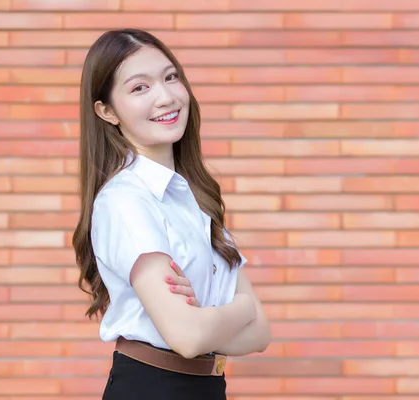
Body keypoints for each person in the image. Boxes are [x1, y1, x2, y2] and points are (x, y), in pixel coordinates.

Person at [71, 28, 271, 400]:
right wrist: (241, 307)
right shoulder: (126, 201)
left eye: (170, 77)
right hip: (154, 388)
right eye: (139, 88)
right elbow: (188, 336)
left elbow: (260, 335)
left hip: (206, 387)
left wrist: (205, 318)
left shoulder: (194, 198)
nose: (166, 97)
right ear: (107, 111)